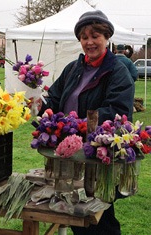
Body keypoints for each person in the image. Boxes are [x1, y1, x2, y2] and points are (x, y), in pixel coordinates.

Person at [32, 10, 134, 235]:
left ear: (106, 37)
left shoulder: (117, 72)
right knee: (76, 215)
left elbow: (118, 112)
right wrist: (40, 106)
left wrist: (78, 124)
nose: (89, 42)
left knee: (96, 220)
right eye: (84, 37)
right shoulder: (74, 68)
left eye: (95, 35)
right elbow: (56, 99)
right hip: (69, 156)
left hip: (96, 159)